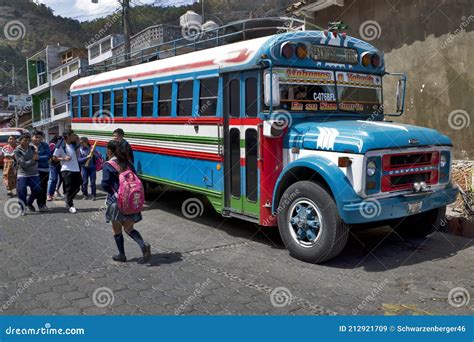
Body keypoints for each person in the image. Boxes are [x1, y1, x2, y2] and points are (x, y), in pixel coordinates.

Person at [101, 140, 150, 263]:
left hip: (116, 201)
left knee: (116, 230)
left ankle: (122, 255)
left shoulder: (108, 164)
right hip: (130, 201)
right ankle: (142, 245)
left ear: (110, 151)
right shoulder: (129, 163)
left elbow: (105, 184)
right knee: (129, 229)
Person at [53, 129, 81, 213]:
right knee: (69, 187)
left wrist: (77, 142)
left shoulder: (73, 145)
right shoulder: (61, 146)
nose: (74, 136)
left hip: (76, 169)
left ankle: (68, 199)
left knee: (77, 188)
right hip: (66, 169)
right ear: (68, 136)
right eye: (72, 135)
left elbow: (77, 154)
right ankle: (70, 204)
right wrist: (64, 158)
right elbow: (54, 158)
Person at [14, 133, 41, 215]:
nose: (27, 142)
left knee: (37, 190)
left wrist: (35, 155)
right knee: (22, 191)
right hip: (23, 173)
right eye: (25, 140)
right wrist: (33, 159)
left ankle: (29, 202)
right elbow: (23, 164)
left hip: (34, 173)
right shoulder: (17, 151)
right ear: (20, 141)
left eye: (28, 140)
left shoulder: (32, 148)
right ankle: (22, 208)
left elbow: (37, 158)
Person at [31, 130, 51, 211]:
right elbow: (30, 157)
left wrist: (38, 158)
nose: (38, 139)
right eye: (36, 137)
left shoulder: (45, 145)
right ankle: (29, 202)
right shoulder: (29, 146)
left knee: (43, 188)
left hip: (44, 170)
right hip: (33, 171)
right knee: (36, 188)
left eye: (40, 137)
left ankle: (42, 204)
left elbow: (48, 155)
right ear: (32, 137)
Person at [47, 135, 63, 201]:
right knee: (53, 179)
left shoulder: (61, 146)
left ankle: (56, 191)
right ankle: (49, 194)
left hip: (59, 164)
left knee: (61, 178)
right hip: (52, 164)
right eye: (60, 140)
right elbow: (50, 154)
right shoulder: (52, 144)